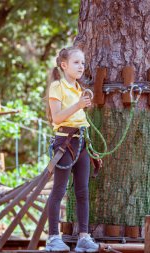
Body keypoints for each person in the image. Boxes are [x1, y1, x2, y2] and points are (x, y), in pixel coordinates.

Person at [44, 46, 99, 252]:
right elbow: (57, 117)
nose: (81, 66)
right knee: (59, 189)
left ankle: (84, 237)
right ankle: (52, 238)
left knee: (82, 190)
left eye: (83, 63)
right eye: (76, 62)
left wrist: (81, 104)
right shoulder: (57, 86)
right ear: (64, 65)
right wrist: (78, 105)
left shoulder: (78, 88)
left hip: (81, 141)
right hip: (64, 142)